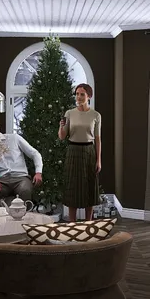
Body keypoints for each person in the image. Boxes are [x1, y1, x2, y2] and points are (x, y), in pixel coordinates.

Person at [0, 114, 43, 210]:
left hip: (21, 178)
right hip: (2, 182)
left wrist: (38, 172)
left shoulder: (14, 138)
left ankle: (23, 217)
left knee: (25, 190)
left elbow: (35, 154)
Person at [58, 83, 101, 221]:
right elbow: (62, 136)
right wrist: (61, 127)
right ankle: (72, 224)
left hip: (89, 152)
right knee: (73, 188)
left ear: (89, 96)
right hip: (73, 151)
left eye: (82, 94)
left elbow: (98, 139)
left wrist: (98, 160)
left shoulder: (96, 115)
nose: (79, 97)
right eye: (77, 94)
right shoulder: (69, 113)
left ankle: (88, 223)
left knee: (89, 187)